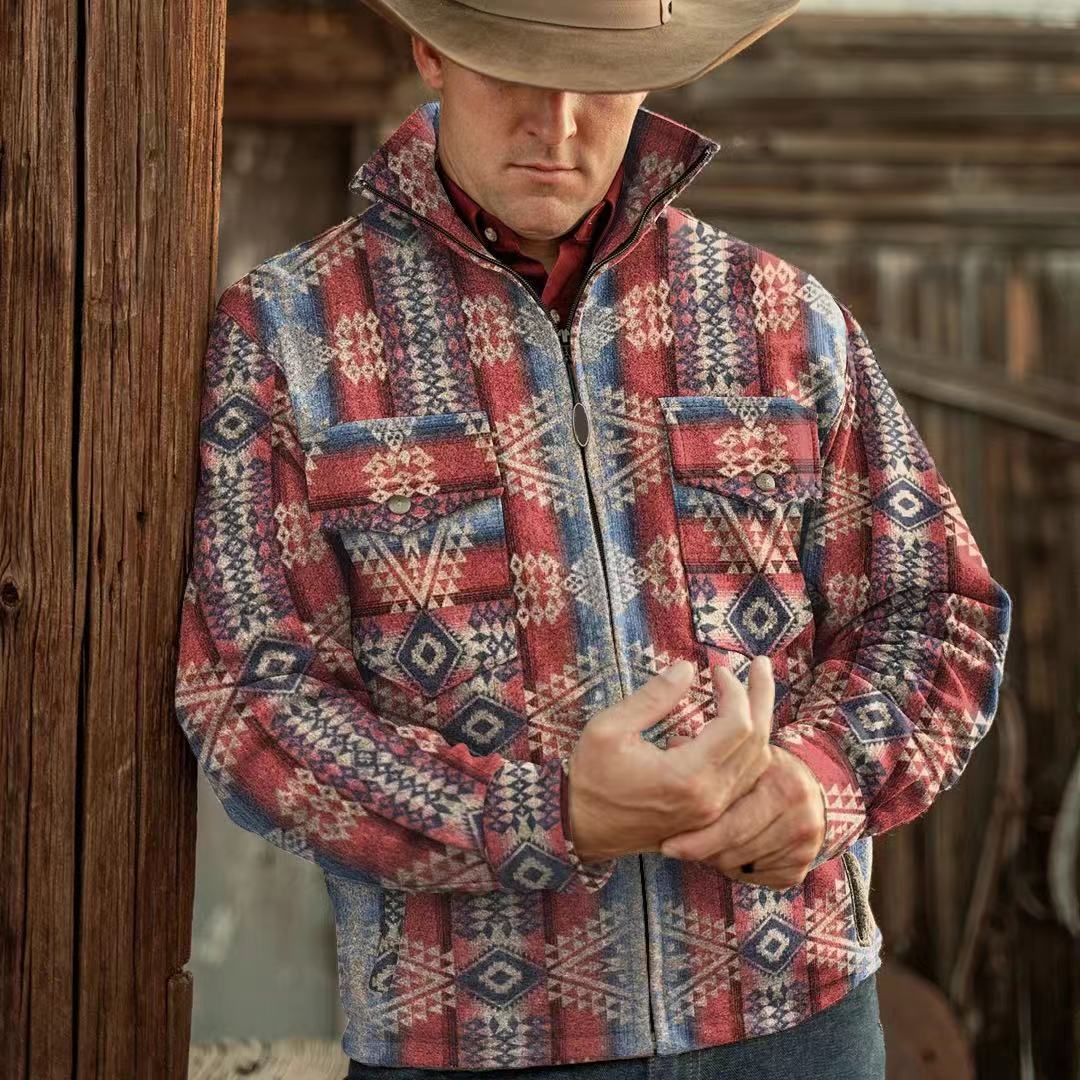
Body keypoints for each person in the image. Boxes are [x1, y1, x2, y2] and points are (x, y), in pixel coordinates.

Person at [173, 2, 1011, 1077]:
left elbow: (937, 612)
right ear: (431, 51)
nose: (556, 125)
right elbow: (251, 697)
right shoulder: (289, 336)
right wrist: (545, 814)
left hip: (799, 1022)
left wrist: (820, 779)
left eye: (598, 79)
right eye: (514, 72)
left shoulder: (781, 317)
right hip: (474, 1046)